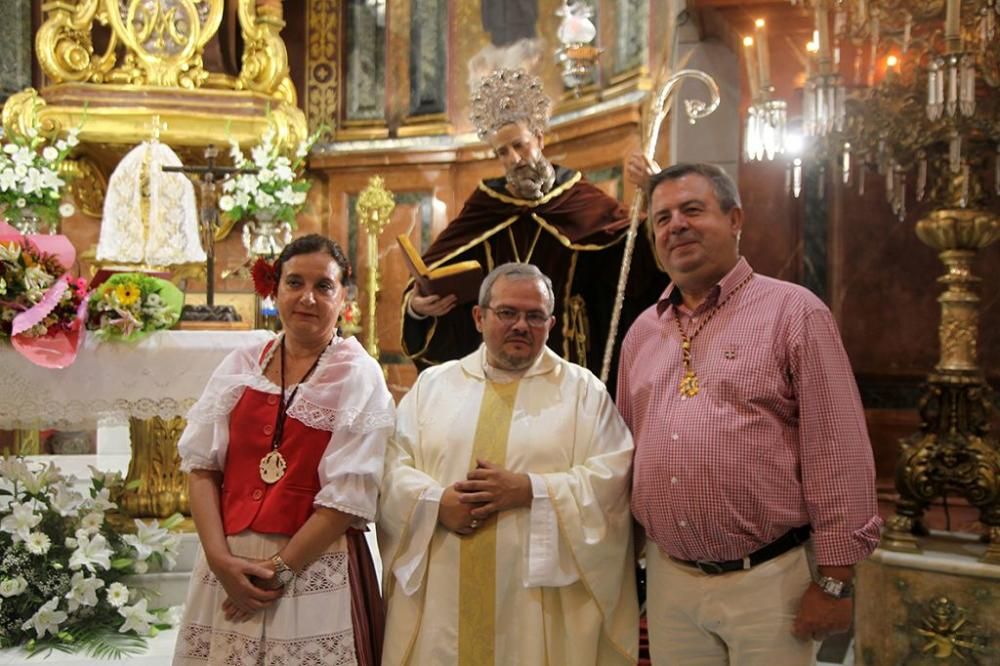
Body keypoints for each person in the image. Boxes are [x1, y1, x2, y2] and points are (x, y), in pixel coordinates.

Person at [616, 163, 882, 665]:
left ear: (735, 217)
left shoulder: (793, 313)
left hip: (769, 581)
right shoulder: (642, 334)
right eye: (662, 218)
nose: (676, 226)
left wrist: (834, 582)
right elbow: (626, 456)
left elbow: (838, 452)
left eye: (693, 210)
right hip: (671, 580)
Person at [380, 262, 639, 665]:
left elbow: (611, 482)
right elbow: (393, 468)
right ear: (479, 317)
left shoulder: (582, 392)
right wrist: (434, 504)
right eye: (507, 313)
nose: (521, 325)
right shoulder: (434, 386)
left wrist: (530, 490)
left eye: (535, 316)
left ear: (551, 324)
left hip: (539, 608)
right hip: (444, 596)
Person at [172, 235, 395, 665]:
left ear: (343, 296)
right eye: (295, 283)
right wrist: (220, 562)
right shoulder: (241, 364)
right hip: (229, 563)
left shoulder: (359, 376)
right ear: (275, 291)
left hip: (311, 565)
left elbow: (346, 500)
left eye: (324, 286)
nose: (307, 298)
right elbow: (201, 468)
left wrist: (279, 572)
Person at [402, 67, 666, 386]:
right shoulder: (486, 206)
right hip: (499, 361)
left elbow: (633, 264)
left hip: (570, 357)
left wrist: (656, 192)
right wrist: (418, 308)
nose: (513, 158)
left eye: (520, 145)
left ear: (539, 138)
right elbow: (432, 272)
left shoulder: (578, 197)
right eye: (502, 152)